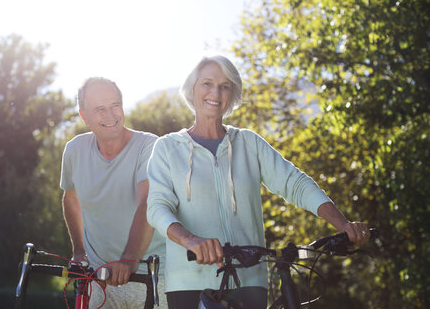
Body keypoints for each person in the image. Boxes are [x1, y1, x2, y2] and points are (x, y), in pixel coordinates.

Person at [146, 56, 371, 309]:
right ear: (192, 89)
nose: (215, 93)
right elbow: (157, 208)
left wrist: (344, 225)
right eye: (207, 83)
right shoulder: (166, 148)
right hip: (189, 282)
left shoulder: (249, 143)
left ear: (232, 94)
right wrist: (190, 240)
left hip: (250, 281)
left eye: (225, 86)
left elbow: (295, 183)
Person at [60, 77, 167, 308]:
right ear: (84, 116)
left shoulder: (150, 146)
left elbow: (147, 202)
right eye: (99, 109)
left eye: (115, 105)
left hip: (151, 278)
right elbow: (71, 198)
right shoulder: (74, 150)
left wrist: (129, 259)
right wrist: (78, 250)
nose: (110, 115)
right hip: (100, 281)